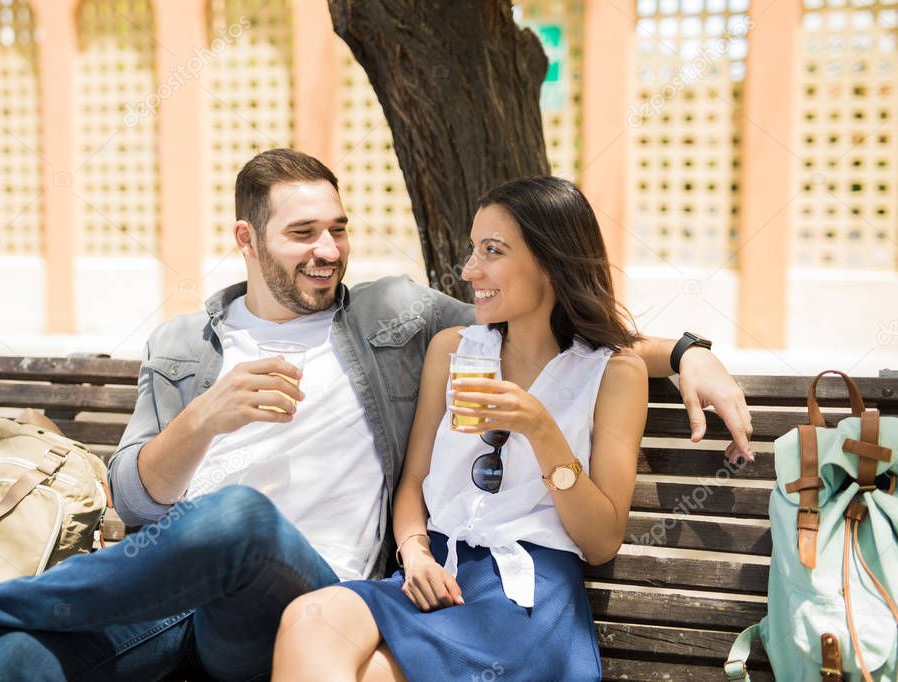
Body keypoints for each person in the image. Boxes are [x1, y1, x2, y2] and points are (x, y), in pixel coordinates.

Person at [0, 150, 752, 682]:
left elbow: (560, 330)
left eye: (337, 228)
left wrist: (686, 349)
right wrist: (205, 419)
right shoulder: (185, 341)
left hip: (299, 589)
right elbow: (134, 502)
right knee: (21, 665)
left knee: (238, 520)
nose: (328, 249)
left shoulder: (395, 318)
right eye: (302, 234)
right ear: (247, 241)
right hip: (169, 588)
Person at [271, 175, 647, 681]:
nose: (470, 270)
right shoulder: (454, 350)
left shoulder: (614, 373)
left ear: (550, 259)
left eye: (491, 251)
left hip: (525, 598)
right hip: (435, 572)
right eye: (473, 249)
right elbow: (413, 482)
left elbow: (601, 541)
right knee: (307, 618)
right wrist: (416, 552)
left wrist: (542, 431)